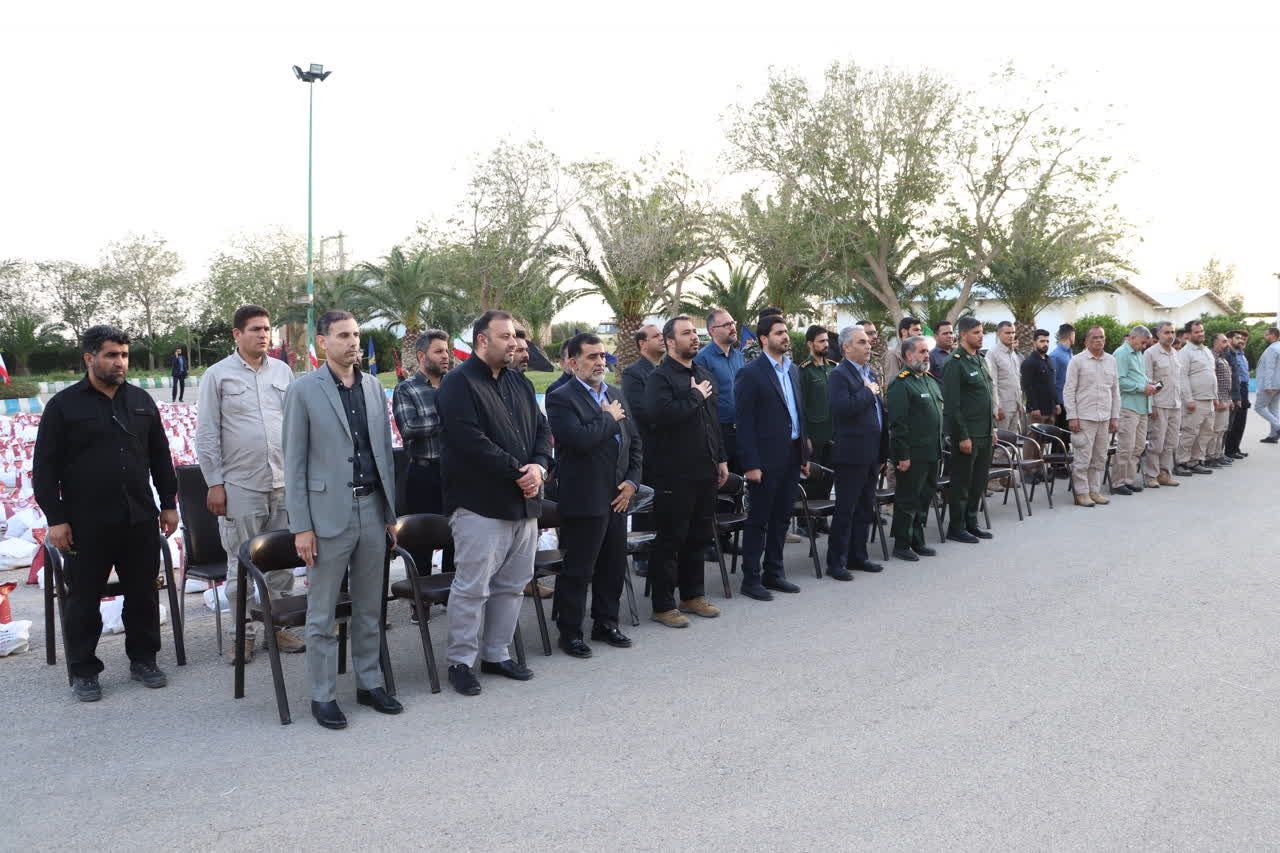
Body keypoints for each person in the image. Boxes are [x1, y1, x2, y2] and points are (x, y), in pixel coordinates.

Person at [32, 325, 179, 702]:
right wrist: (56, 518)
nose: (120, 362)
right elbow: (44, 469)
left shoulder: (141, 401)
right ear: (89, 358)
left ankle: (144, 659)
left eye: (124, 355)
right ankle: (84, 670)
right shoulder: (64, 406)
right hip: (86, 523)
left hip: (138, 518)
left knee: (143, 594)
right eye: (112, 355)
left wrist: (168, 503)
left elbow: (160, 456)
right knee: (83, 599)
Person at [283, 310, 401, 729]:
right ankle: (323, 694)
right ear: (322, 342)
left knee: (370, 606)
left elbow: (383, 453)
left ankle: (370, 683)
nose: (353, 343)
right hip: (326, 516)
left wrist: (389, 513)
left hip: (371, 508)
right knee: (322, 613)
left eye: (356, 334)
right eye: (343, 335)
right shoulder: (303, 391)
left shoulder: (373, 386)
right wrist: (301, 526)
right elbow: (294, 463)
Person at [435, 310, 550, 695]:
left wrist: (538, 468)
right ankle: (461, 661)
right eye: (506, 336)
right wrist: (520, 471)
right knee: (472, 588)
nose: (515, 343)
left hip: (524, 503)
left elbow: (542, 432)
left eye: (515, 335)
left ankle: (496, 653)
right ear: (482, 340)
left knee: (513, 584)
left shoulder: (519, 382)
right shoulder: (458, 383)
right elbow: (470, 441)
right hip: (479, 505)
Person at [195, 304, 301, 662]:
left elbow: (294, 425)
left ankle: (278, 628)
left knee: (282, 562)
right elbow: (207, 433)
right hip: (240, 485)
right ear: (237, 334)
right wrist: (214, 483)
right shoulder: (218, 376)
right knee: (240, 563)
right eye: (255, 329)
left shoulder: (283, 372)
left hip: (282, 482)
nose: (263, 335)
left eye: (266, 329)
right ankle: (242, 634)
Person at [545, 334, 643, 657]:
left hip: (619, 497)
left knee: (613, 566)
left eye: (603, 356)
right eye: (592, 357)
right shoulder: (561, 398)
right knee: (579, 569)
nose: (600, 362)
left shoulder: (615, 394)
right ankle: (570, 632)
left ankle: (606, 623)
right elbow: (579, 440)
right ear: (573, 363)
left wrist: (632, 482)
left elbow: (635, 443)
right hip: (585, 497)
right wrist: (608, 418)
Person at [644, 315, 727, 627]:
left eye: (695, 332)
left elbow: (713, 421)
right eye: (686, 333)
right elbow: (660, 416)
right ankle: (663, 605)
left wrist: (721, 459)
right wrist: (694, 396)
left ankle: (692, 595)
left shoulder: (703, 374)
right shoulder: (660, 378)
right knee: (671, 539)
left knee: (699, 536)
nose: (694, 337)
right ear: (669, 341)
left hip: (706, 469)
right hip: (674, 473)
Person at [734, 315, 809, 600]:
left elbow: (798, 412)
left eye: (786, 331)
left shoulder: (793, 370)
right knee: (759, 519)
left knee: (782, 518)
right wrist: (751, 464)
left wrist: (803, 453)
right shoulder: (751, 373)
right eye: (779, 332)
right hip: (765, 460)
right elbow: (745, 423)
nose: (785, 336)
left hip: (791, 455)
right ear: (764, 339)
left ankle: (774, 573)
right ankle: (751, 579)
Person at [825, 325, 888, 578]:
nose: (868, 345)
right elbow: (843, 408)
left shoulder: (869, 372)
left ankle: (858, 556)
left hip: (871, 452)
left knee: (865, 508)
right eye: (861, 342)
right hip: (851, 453)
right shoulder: (839, 375)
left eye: (868, 341)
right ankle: (836, 562)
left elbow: (879, 413)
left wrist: (883, 451)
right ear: (846, 347)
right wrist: (867, 392)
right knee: (846, 509)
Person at [392, 330, 454, 585]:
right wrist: (449, 417)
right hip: (423, 474)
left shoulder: (455, 385)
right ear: (421, 356)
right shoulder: (406, 389)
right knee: (422, 542)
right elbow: (409, 427)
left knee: (457, 539)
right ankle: (420, 598)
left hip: (456, 474)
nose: (445, 356)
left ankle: (453, 595)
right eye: (438, 351)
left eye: (447, 351)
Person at [886, 335, 942, 562]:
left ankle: (917, 540)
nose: (927, 356)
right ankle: (902, 544)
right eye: (922, 352)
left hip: (931, 450)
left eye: (927, 351)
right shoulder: (901, 383)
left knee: (924, 497)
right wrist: (903, 455)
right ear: (909, 356)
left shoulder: (928, 380)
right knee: (908, 499)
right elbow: (898, 424)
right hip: (913, 452)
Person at [940, 316, 997, 539]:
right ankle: (956, 527)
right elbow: (952, 405)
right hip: (967, 434)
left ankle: (971, 522)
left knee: (978, 482)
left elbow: (986, 398)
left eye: (982, 332)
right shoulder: (955, 362)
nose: (981, 336)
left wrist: (992, 429)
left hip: (984, 432)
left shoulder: (980, 359)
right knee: (962, 482)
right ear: (963, 335)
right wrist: (962, 435)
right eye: (976, 333)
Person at [620, 324, 665, 577]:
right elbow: (640, 409)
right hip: (646, 446)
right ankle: (641, 556)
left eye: (662, 335)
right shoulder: (633, 373)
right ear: (642, 344)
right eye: (656, 336)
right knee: (646, 500)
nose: (661, 339)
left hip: (668, 448)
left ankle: (659, 549)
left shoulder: (666, 370)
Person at [1063, 325, 1121, 507]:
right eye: (1094, 337)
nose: (1098, 340)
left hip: (1104, 417)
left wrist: (1114, 417)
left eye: (1101, 337)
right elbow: (1069, 390)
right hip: (1084, 418)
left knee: (1100, 457)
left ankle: (1094, 491)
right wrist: (1072, 416)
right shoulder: (1077, 361)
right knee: (1083, 458)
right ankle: (1081, 493)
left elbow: (1115, 391)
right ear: (1086, 341)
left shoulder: (1111, 361)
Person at [694, 308, 746, 472]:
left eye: (733, 323)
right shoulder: (702, 359)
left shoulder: (739, 357)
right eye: (726, 325)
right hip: (719, 431)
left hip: (741, 429)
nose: (732, 327)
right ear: (712, 331)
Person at [1112, 326, 1155, 495]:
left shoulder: (1138, 353)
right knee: (1126, 447)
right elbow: (1119, 381)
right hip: (1128, 406)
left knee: (1137, 447)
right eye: (1143, 343)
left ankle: (1128, 480)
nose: (1144, 346)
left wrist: (1150, 383)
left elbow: (1138, 376)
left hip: (1142, 406)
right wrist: (1142, 387)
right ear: (1133, 337)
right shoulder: (1122, 353)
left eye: (1146, 344)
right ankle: (1118, 482)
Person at [1142, 322, 1183, 487]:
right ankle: (1151, 475)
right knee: (1156, 443)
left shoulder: (1175, 353)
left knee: (1171, 443)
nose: (1170, 335)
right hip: (1159, 404)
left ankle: (1164, 474)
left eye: (1172, 332)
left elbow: (1177, 380)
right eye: (1166, 332)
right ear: (1158, 334)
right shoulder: (1150, 353)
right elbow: (1147, 380)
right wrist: (1150, 405)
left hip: (1175, 404)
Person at [1175, 320, 1217, 475]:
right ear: (1188, 334)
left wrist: (1215, 397)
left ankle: (1195, 461)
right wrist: (1189, 399)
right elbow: (1182, 377)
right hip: (1195, 400)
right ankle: (1181, 463)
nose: (1200, 334)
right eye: (1197, 332)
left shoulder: (1206, 351)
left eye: (1202, 331)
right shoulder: (1185, 352)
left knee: (1206, 432)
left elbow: (1211, 374)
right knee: (1190, 432)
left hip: (1209, 399)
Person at [799, 325, 836, 467]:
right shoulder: (804, 370)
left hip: (834, 434)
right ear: (810, 344)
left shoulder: (833, 367)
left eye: (826, 340)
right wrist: (805, 437)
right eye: (821, 341)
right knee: (816, 476)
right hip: (815, 437)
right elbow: (800, 406)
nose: (826, 344)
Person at [986, 321, 1023, 432]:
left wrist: (1020, 404)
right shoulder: (992, 354)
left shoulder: (1013, 353)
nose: (1011, 336)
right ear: (998, 334)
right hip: (1003, 407)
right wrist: (997, 408)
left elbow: (1016, 380)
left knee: (1014, 440)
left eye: (1013, 332)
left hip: (1016, 405)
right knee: (1002, 441)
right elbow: (992, 383)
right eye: (1007, 333)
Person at [1206, 333, 1235, 467]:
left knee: (1222, 430)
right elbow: (1212, 381)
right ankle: (1210, 457)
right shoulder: (1211, 357)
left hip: (1226, 399)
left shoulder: (1223, 358)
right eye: (1223, 342)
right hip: (1218, 401)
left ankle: (1218, 454)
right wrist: (1216, 399)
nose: (1227, 344)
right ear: (1215, 343)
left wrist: (1229, 399)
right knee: (1215, 430)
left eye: (1226, 342)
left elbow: (1227, 382)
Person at [1020, 329, 1059, 426]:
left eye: (1047, 341)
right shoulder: (1029, 362)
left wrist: (1057, 403)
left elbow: (1052, 384)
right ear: (1034, 342)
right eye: (1042, 341)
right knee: (1035, 436)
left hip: (1051, 410)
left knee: (1050, 435)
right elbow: (1027, 387)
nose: (1045, 344)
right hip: (1038, 412)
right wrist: (1034, 408)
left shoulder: (1049, 360)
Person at [1223, 330, 1251, 459]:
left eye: (1243, 339)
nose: (1241, 341)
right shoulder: (1228, 354)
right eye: (1238, 338)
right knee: (1233, 422)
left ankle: (1235, 448)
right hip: (1236, 388)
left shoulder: (1241, 355)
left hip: (1244, 388)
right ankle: (1229, 450)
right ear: (1229, 340)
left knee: (1241, 421)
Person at [1255, 327, 1280, 443]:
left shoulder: (1272, 349)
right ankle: (1273, 436)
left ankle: (1278, 426)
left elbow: (1270, 368)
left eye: (1266, 334)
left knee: (1259, 407)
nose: (1264, 336)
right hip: (1278, 385)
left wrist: (1268, 385)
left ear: (1272, 335)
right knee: (1273, 409)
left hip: (1271, 385)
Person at [882, 316, 921, 388]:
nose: (920, 333)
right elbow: (893, 385)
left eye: (920, 330)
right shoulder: (893, 355)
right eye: (916, 330)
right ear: (904, 332)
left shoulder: (919, 354)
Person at [1050, 324, 1075, 430]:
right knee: (1061, 435)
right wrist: (1056, 403)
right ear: (1071, 335)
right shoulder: (1055, 356)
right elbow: (1052, 382)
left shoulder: (1070, 354)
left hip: (1070, 402)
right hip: (1060, 404)